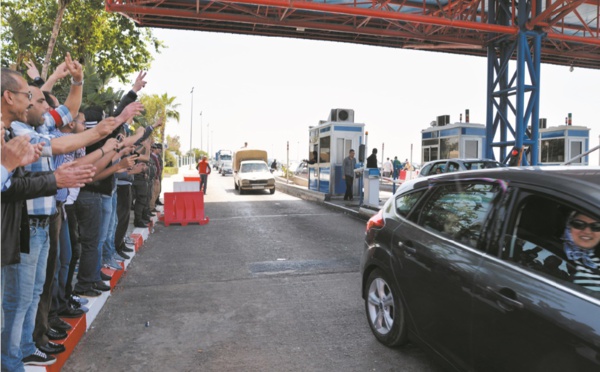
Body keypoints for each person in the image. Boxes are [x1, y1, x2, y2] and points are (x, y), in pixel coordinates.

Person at [563, 212, 600, 291]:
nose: (587, 231)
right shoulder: (551, 252)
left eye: (596, 226)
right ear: (569, 226)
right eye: (579, 224)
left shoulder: (596, 261)